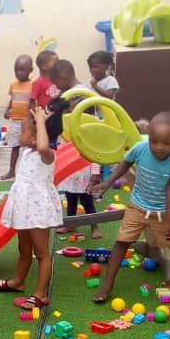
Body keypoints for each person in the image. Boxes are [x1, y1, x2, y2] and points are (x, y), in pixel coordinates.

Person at [89, 111, 170, 302]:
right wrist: (108, 182)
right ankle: (107, 285)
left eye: (166, 143)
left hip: (163, 211)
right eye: (154, 141)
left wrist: (169, 221)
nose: (158, 147)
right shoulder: (140, 148)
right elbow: (124, 164)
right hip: (138, 205)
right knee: (121, 242)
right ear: (148, 136)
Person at [0, 106, 62, 309]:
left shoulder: (47, 154)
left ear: (35, 137)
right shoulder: (27, 153)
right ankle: (18, 281)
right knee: (23, 248)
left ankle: (40, 294)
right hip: (24, 209)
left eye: (23, 131)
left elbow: (43, 146)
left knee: (41, 253)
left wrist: (40, 121)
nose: (19, 134)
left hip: (38, 212)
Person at [51, 59, 102, 239]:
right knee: (70, 195)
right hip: (70, 159)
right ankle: (70, 223)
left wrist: (95, 171)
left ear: (63, 77)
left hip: (83, 160)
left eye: (56, 82)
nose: (56, 87)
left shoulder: (82, 95)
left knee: (86, 197)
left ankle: (94, 226)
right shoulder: (68, 94)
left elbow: (95, 142)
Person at [1, 54, 34, 180]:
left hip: (27, 121)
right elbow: (12, 99)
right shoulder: (13, 85)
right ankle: (11, 170)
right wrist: (7, 109)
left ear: (30, 70)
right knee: (14, 146)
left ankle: (29, 172)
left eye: (22, 70)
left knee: (30, 147)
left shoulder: (33, 85)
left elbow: (33, 102)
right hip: (15, 120)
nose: (19, 73)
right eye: (16, 70)